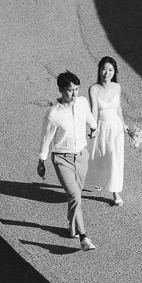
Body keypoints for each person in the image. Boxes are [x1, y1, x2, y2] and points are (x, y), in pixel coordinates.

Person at [37, 71, 98, 251]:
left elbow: (88, 116)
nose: (74, 94)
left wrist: (93, 127)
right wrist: (42, 161)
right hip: (62, 158)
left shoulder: (82, 102)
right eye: (70, 90)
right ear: (61, 90)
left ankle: (72, 229)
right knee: (75, 196)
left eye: (77, 89)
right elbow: (45, 138)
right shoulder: (53, 113)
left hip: (81, 156)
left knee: (76, 197)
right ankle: (84, 237)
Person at [85, 55, 127, 206]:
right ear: (99, 70)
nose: (107, 73)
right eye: (104, 69)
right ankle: (99, 180)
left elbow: (119, 109)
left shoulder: (117, 87)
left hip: (115, 129)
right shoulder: (94, 89)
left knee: (114, 159)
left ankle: (116, 193)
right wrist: (93, 128)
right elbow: (94, 111)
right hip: (102, 127)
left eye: (110, 70)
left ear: (114, 72)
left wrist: (124, 125)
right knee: (101, 157)